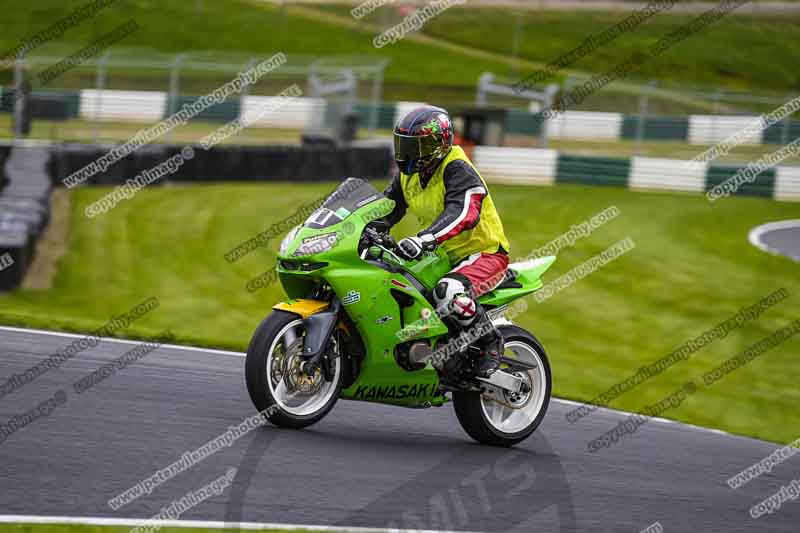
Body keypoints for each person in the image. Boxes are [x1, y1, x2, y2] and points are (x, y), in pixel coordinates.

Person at [382, 105, 510, 378]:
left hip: (484, 254)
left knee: (448, 291)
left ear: (440, 144)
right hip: (440, 254)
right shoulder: (408, 175)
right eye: (405, 145)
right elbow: (386, 208)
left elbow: (463, 212)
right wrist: (362, 229)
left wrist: (424, 238)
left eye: (418, 146)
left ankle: (490, 341)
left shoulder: (457, 168)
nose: (409, 154)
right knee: (393, 277)